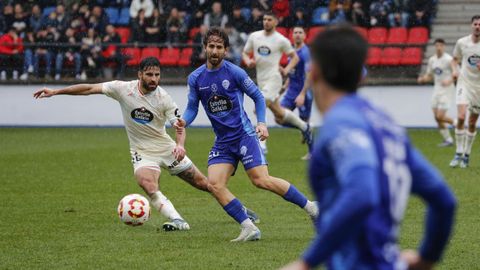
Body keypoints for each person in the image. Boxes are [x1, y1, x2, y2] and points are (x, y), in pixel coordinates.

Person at [280, 26, 456, 270]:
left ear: (315, 71)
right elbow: (444, 200)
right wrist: (427, 258)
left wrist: (307, 262)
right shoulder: (384, 123)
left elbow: (362, 193)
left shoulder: (340, 123)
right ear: (360, 75)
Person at [33, 57, 258, 232]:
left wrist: (180, 145)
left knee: (206, 184)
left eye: (157, 75)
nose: (154, 79)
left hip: (167, 149)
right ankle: (178, 220)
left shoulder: (164, 99)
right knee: (147, 184)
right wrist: (56, 91)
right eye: (149, 74)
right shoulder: (123, 89)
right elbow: (89, 88)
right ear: (139, 74)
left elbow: (179, 125)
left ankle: (240, 210)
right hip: (142, 151)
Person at [181, 27, 318, 242]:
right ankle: (248, 227)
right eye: (211, 46)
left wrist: (261, 123)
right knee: (214, 185)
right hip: (223, 142)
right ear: (205, 48)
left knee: (261, 180)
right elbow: (192, 108)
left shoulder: (235, 72)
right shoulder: (195, 78)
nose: (214, 51)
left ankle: (311, 207)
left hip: (244, 135)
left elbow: (258, 97)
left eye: (219, 47)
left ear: (225, 50)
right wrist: (183, 121)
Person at [242, 11, 313, 155]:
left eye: (269, 19)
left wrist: (286, 70)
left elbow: (295, 58)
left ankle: (262, 144)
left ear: (275, 22)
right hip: (261, 80)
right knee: (279, 114)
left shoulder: (281, 40)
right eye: (264, 19)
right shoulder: (254, 37)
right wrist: (248, 61)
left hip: (274, 79)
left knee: (259, 103)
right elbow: (245, 52)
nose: (266, 22)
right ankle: (304, 126)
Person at [449, 15, 480, 168]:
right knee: (461, 117)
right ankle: (458, 152)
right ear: (471, 25)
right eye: (475, 24)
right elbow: (454, 59)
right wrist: (455, 70)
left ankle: (466, 154)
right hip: (464, 83)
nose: (477, 27)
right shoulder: (462, 42)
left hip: (479, 88)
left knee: (472, 122)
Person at [281, 26, 314, 160]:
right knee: (280, 117)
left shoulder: (306, 53)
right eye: (295, 33)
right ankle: (304, 127)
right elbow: (292, 72)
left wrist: (302, 94)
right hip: (291, 91)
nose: (298, 35)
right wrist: (284, 86)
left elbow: (309, 74)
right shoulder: (291, 52)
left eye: (301, 32)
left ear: (305, 36)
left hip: (303, 91)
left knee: (304, 120)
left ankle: (312, 153)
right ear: (292, 35)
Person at [417, 38, 455, 147]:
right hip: (437, 88)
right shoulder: (432, 60)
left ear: (444, 47)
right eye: (437, 45)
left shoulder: (449, 59)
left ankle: (458, 124)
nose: (438, 48)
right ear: (435, 46)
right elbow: (429, 75)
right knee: (436, 117)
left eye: (441, 46)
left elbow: (457, 73)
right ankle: (448, 140)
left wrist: (450, 80)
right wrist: (423, 79)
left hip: (447, 89)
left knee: (440, 115)